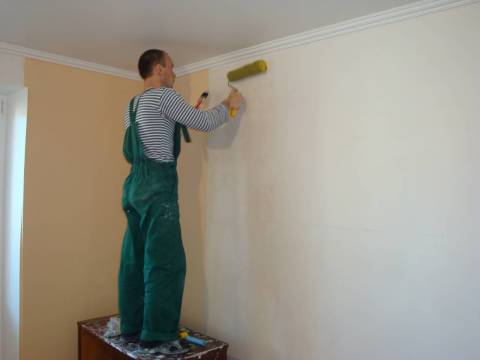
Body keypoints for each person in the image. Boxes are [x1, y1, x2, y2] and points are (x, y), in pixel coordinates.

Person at [118, 49, 244, 355]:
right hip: (157, 189)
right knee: (167, 262)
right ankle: (157, 333)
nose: (174, 73)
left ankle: (133, 327)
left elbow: (130, 151)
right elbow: (202, 121)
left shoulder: (132, 105)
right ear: (159, 69)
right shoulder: (165, 96)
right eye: (172, 67)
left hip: (133, 187)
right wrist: (229, 105)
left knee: (134, 260)